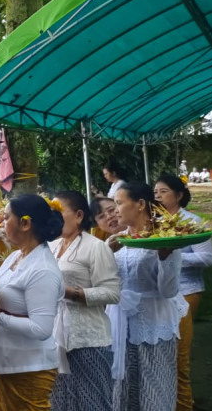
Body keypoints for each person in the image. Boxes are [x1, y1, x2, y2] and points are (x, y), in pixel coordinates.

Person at [0, 195, 64, 411]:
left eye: (6, 218)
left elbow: (41, 329)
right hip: (7, 360)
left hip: (30, 366)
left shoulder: (43, 270)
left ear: (25, 223)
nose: (2, 224)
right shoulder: (16, 257)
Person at [109, 182, 187, 411]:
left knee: (154, 389)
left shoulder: (164, 237)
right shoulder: (118, 240)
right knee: (124, 389)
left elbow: (168, 291)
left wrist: (166, 258)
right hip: (121, 326)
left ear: (140, 204)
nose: (115, 210)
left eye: (119, 203)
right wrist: (106, 252)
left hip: (153, 325)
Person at [48, 191, 121, 411]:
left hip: (88, 339)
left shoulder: (95, 247)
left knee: (93, 401)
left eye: (59, 212)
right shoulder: (50, 246)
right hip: (56, 337)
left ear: (79, 215)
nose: (53, 217)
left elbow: (112, 293)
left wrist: (72, 293)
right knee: (60, 401)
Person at [153, 175, 212, 411]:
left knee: (179, 356)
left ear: (178, 195)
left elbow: (207, 258)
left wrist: (172, 256)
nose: (157, 195)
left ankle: (184, 404)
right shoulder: (152, 221)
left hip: (186, 291)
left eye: (163, 191)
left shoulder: (192, 222)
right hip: (158, 293)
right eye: (155, 191)